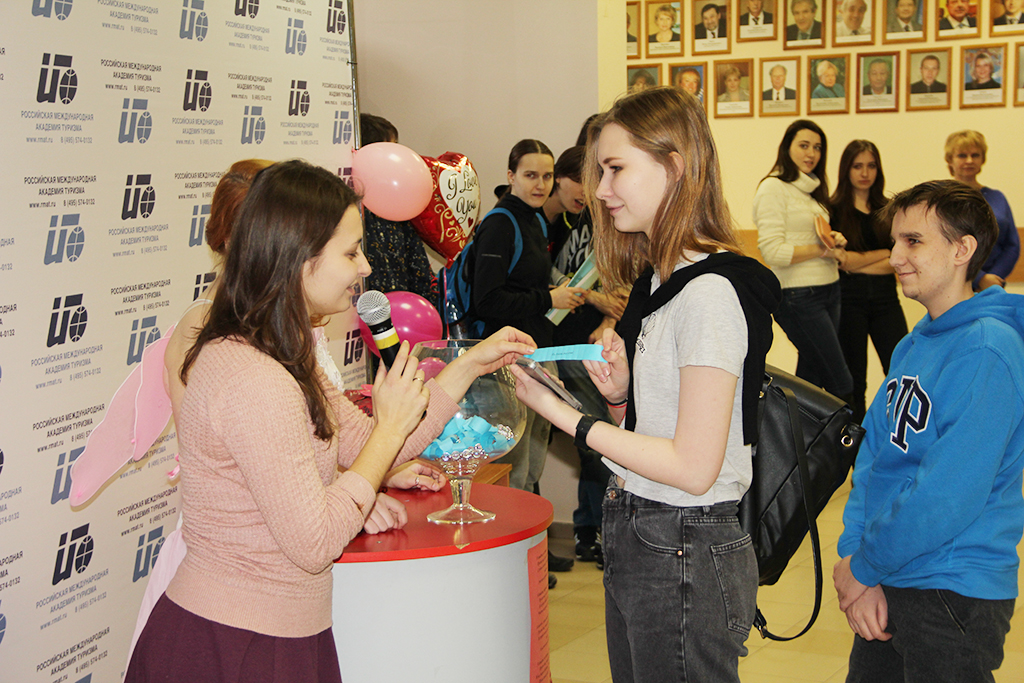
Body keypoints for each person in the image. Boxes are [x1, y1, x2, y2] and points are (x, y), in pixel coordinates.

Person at [124, 160, 537, 683]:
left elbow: (373, 444)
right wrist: (387, 432)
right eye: (351, 252)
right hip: (234, 642)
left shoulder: (282, 355)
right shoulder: (253, 376)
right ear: (298, 259)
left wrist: (469, 365)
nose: (365, 267)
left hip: (283, 632)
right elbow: (315, 541)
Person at [512, 85, 781, 683]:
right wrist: (618, 396)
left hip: (683, 540)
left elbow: (693, 467)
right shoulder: (661, 282)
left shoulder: (709, 294)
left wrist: (567, 416)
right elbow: (661, 433)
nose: (601, 190)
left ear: (674, 167)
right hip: (643, 528)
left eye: (615, 169)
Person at [834, 180, 1024, 682]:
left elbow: (948, 494)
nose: (895, 256)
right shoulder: (912, 344)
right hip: (887, 573)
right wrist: (855, 558)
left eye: (913, 241)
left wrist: (864, 567)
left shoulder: (988, 349)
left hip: (951, 587)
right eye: (895, 241)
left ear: (963, 250)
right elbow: (872, 463)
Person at [754, 120, 854, 400]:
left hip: (830, 288)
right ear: (787, 147)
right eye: (804, 145)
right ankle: (855, 430)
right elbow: (773, 252)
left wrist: (832, 239)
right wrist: (822, 250)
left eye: (818, 148)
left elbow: (809, 237)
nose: (811, 153)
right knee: (841, 383)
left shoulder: (813, 192)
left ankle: (792, 429)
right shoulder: (772, 188)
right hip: (798, 295)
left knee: (811, 377)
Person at [828, 141, 908, 422]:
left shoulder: (889, 209)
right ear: (846, 169)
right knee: (855, 381)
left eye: (871, 166)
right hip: (849, 303)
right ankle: (856, 444)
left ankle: (899, 433)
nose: (865, 173)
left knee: (901, 369)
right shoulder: (832, 210)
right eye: (858, 166)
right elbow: (842, 262)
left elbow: (897, 261)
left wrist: (858, 262)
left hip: (887, 302)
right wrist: (884, 253)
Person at [359, 113, 436, 305]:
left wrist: (429, 300)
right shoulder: (353, 211)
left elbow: (417, 265)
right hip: (369, 308)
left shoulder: (398, 207)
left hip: (404, 306)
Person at [944, 130, 1019, 290]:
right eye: (962, 155)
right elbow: (940, 246)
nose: (969, 160)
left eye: (975, 155)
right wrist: (979, 278)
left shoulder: (997, 197)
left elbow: (1012, 245)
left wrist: (992, 278)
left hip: (993, 285)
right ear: (950, 160)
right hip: (953, 285)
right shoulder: (940, 199)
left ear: (983, 159)